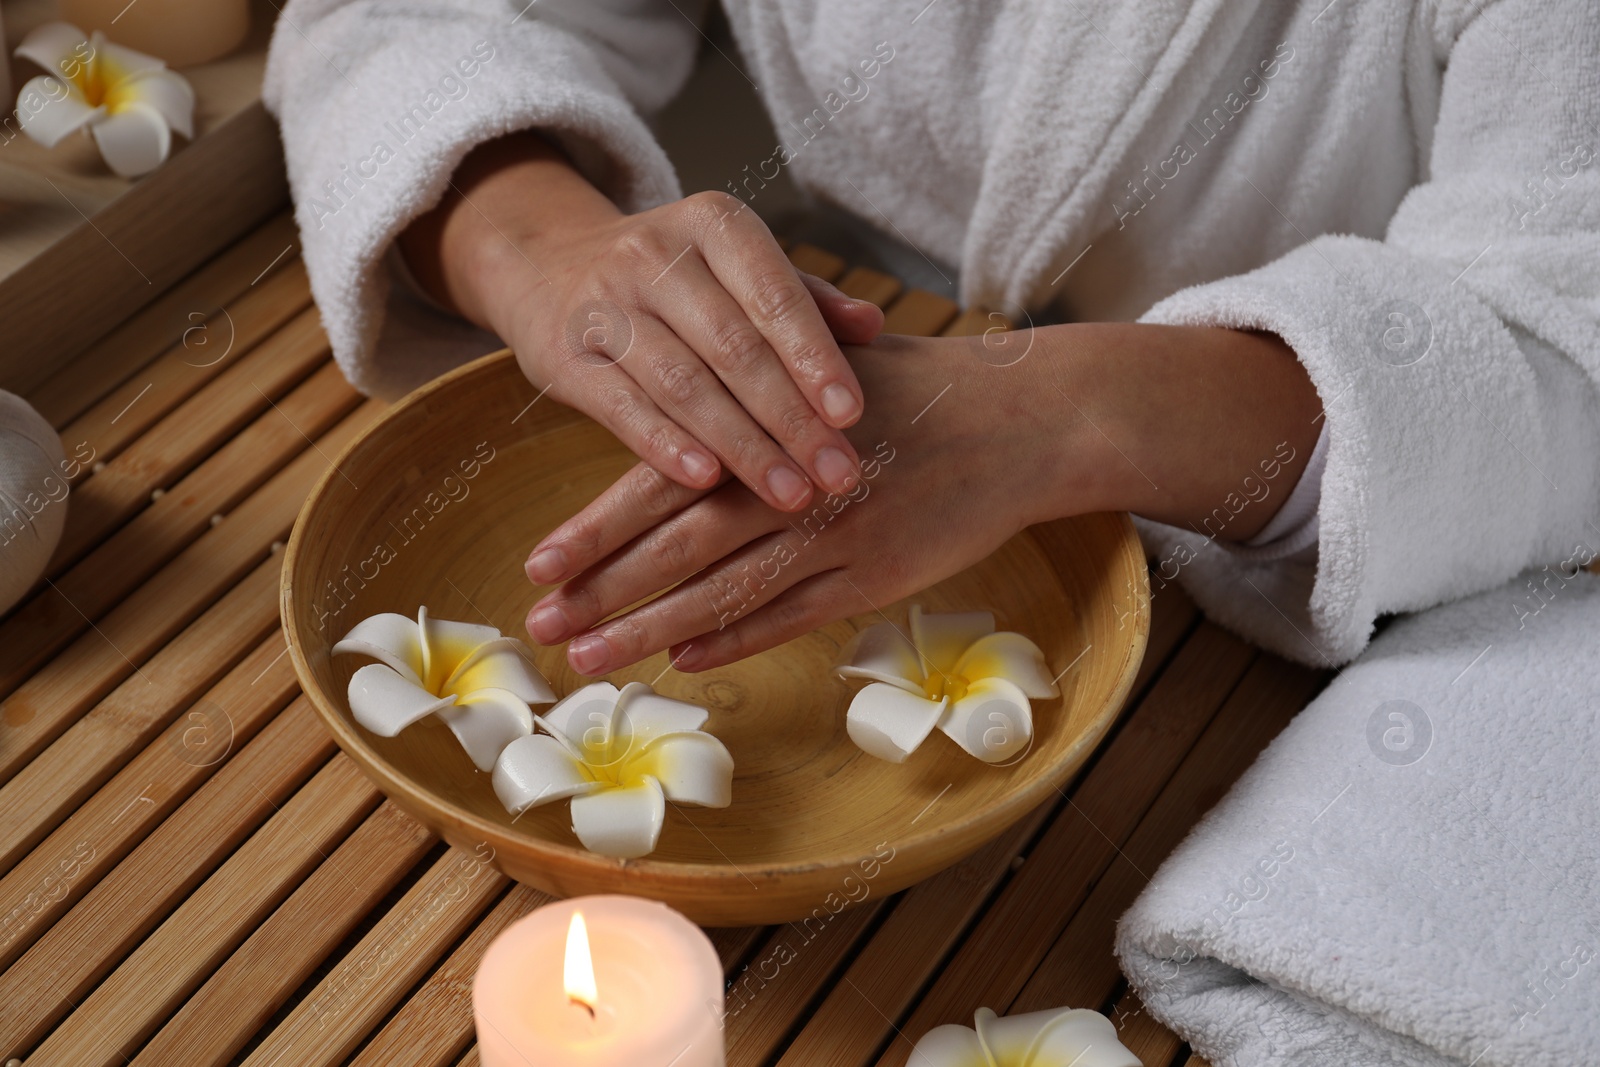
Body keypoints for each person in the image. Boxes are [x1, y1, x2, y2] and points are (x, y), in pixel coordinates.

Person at [264, 3, 1598, 1060]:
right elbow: (406, 19)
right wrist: (536, 246)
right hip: (831, 337)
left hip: (1289, 518)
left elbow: (1567, 337)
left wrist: (1061, 417)